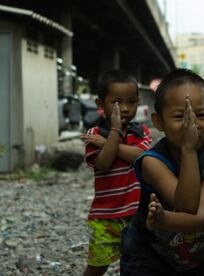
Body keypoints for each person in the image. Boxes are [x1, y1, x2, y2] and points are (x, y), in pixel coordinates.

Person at [120, 69, 204, 275]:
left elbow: (197, 216)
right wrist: (189, 149)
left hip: (195, 251)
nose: (190, 124)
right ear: (158, 122)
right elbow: (185, 204)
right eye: (179, 116)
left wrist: (166, 221)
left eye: (200, 115)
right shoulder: (151, 161)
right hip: (148, 252)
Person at [80, 69, 152, 276]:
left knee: (135, 263)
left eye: (132, 101)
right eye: (118, 103)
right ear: (101, 105)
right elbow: (103, 163)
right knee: (97, 265)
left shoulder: (141, 132)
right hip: (105, 217)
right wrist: (112, 132)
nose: (126, 109)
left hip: (137, 214)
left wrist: (109, 144)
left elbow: (142, 157)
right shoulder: (95, 135)